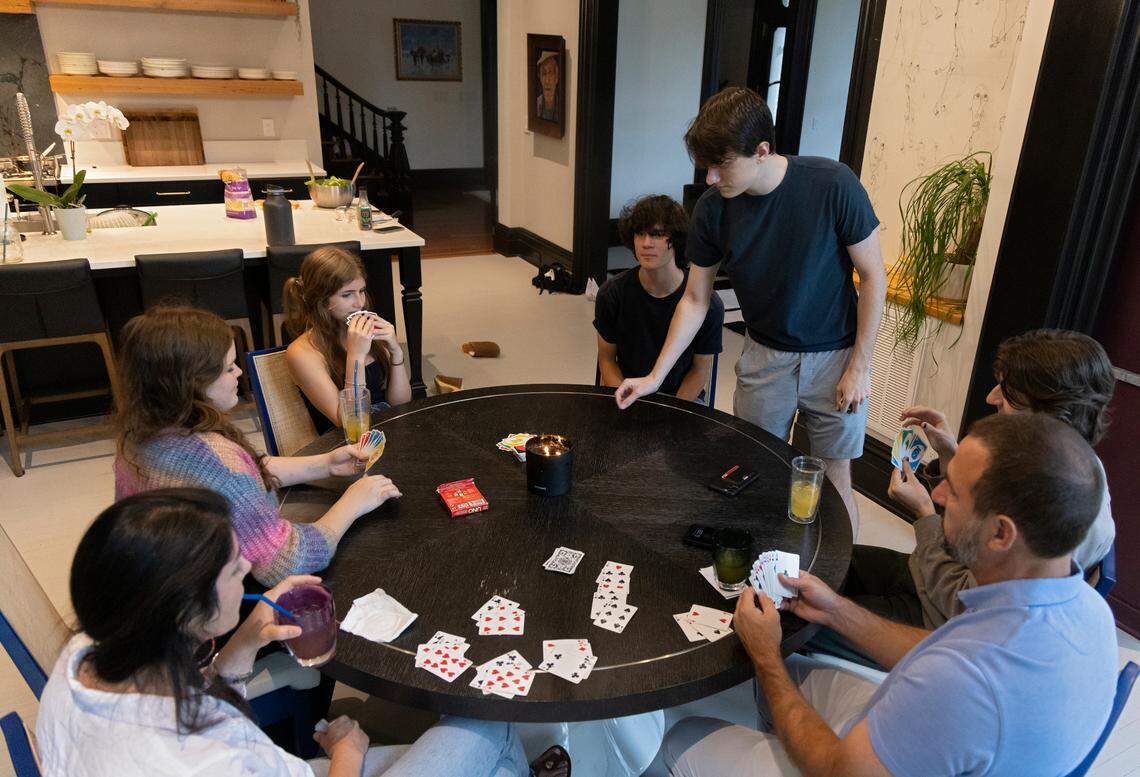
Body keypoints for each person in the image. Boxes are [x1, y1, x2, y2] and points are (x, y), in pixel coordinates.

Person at [663, 413, 1118, 776]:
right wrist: (836, 611)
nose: (937, 494)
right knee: (789, 676)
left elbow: (840, 769)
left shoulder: (962, 681)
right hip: (939, 736)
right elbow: (939, 648)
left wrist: (766, 658)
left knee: (680, 737)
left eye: (955, 492)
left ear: (1001, 534)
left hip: (859, 762)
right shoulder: (1086, 608)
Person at [36, 488, 570, 777]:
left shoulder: (87, 652)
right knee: (486, 722)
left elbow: (194, 703)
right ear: (185, 611)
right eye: (233, 570)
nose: (250, 569)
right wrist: (348, 752)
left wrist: (245, 643)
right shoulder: (198, 763)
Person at [614, 87, 886, 535]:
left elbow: (873, 276)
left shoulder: (833, 184)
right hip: (764, 355)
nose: (710, 177)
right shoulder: (712, 209)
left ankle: (840, 576)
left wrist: (861, 367)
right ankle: (764, 567)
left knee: (834, 479)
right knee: (756, 471)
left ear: (761, 151)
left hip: (836, 357)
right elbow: (696, 299)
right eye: (706, 165)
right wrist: (655, 377)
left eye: (721, 165)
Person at [114, 305, 402, 587]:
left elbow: (244, 470)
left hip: (154, 584)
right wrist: (353, 503)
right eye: (229, 368)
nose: (239, 372)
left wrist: (325, 464)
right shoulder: (223, 464)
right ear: (193, 382)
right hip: (206, 597)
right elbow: (287, 562)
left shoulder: (140, 436)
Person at [858, 328, 1116, 630]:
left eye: (1008, 393)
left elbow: (963, 604)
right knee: (831, 564)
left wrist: (925, 515)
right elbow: (972, 521)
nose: (991, 397)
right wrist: (949, 454)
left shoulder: (1042, 506)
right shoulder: (1074, 464)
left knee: (813, 611)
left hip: (940, 620)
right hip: (932, 575)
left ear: (1049, 415)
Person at [595, 195, 724, 403]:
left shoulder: (707, 304)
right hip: (628, 392)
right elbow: (607, 360)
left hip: (681, 399)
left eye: (657, 235)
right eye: (640, 234)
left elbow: (700, 370)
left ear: (676, 240)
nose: (646, 243)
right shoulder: (611, 294)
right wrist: (626, 402)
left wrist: (670, 412)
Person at [284, 246, 412, 434]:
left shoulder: (363, 328)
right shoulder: (301, 353)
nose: (359, 303)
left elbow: (400, 404)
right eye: (347, 294)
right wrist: (356, 356)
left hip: (386, 428)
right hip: (344, 441)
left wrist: (396, 353)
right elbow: (352, 425)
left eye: (362, 291)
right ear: (320, 299)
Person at [536, 52, 560, 122]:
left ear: (556, 78)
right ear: (540, 77)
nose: (547, 81)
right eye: (544, 74)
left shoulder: (561, 105)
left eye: (550, 73)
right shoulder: (536, 104)